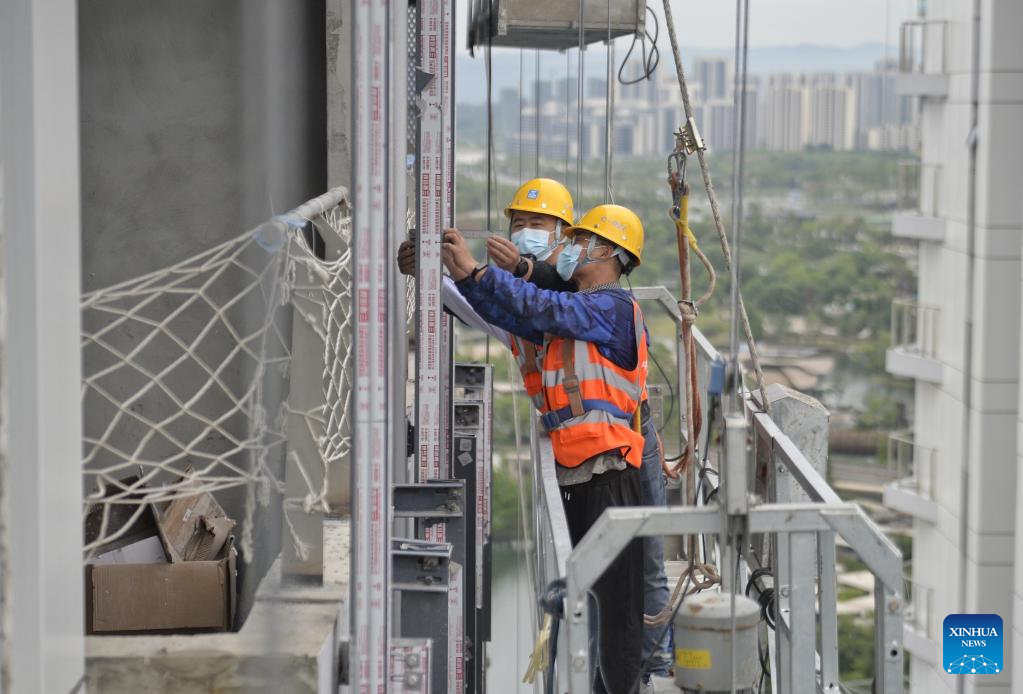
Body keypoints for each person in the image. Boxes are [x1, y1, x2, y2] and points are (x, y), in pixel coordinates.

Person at [442, 204, 649, 693]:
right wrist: (455, 280)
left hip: (612, 475)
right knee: (587, 603)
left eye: (582, 240)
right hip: (580, 476)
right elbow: (514, 312)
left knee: (618, 610)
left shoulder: (611, 309)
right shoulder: (578, 312)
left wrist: (477, 271)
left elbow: (546, 308)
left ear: (609, 252)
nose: (572, 248)